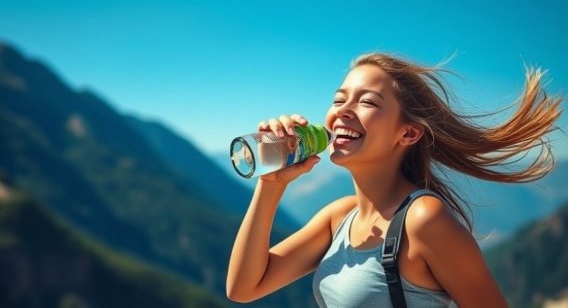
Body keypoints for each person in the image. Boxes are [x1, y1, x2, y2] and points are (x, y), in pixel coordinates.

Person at [226, 53, 563, 307]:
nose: (343, 109)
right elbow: (244, 288)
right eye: (339, 99)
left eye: (367, 101)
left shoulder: (422, 220)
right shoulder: (339, 217)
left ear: (408, 132)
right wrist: (271, 185)